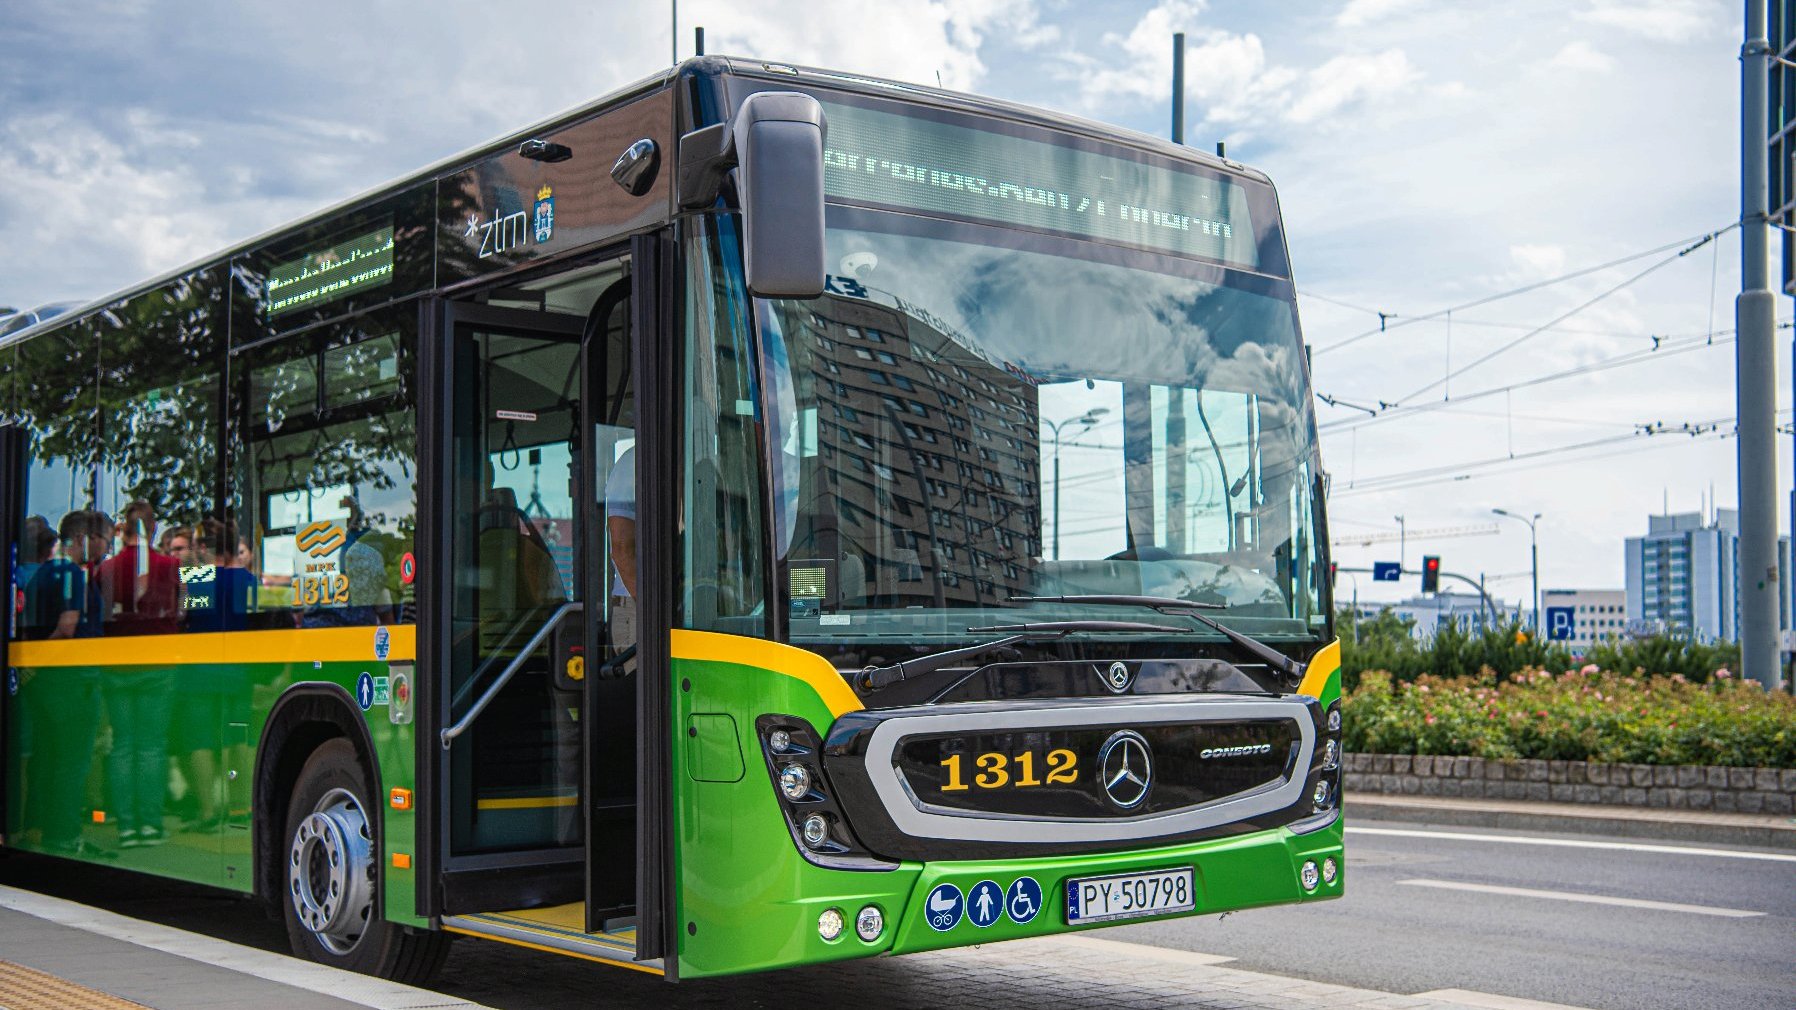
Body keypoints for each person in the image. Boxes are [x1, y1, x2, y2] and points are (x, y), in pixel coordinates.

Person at [97, 499, 182, 636]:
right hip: (163, 647)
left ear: (125, 528)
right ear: (154, 527)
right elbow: (185, 609)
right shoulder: (173, 566)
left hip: (117, 648)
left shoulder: (106, 568)